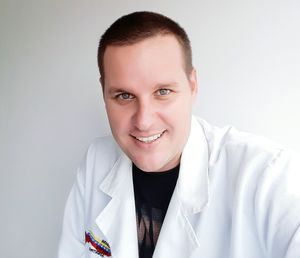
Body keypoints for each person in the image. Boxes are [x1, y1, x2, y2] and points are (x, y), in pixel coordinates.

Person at [58, 11, 300, 258]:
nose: (144, 121)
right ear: (104, 92)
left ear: (192, 85)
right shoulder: (96, 161)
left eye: (163, 91)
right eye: (124, 96)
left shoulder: (266, 174)